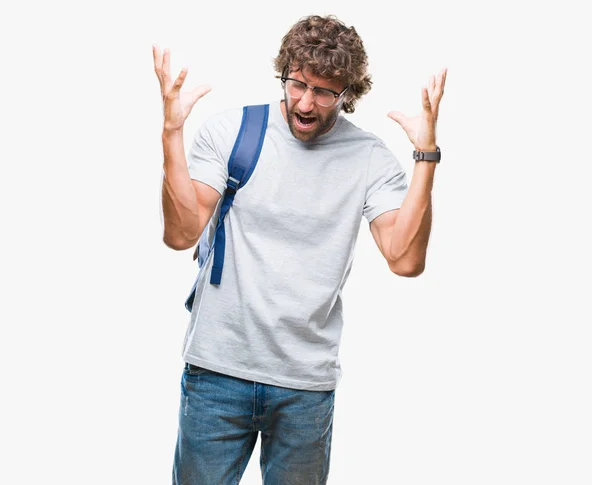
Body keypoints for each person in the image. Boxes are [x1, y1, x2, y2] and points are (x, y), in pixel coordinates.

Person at [153, 14, 447, 485]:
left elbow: (405, 259)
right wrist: (171, 133)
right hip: (217, 373)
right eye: (298, 84)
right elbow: (181, 233)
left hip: (305, 388)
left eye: (325, 91)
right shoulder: (233, 132)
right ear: (284, 72)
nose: (306, 102)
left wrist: (426, 157)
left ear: (347, 93)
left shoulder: (368, 158)